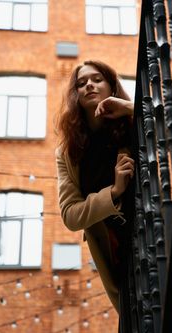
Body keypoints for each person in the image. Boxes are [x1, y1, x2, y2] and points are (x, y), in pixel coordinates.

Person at [55, 60, 135, 313]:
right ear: (76, 95)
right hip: (117, 253)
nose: (89, 84)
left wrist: (130, 108)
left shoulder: (133, 124)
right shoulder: (67, 152)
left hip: (154, 227)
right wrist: (113, 194)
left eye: (97, 79)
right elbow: (70, 214)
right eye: (81, 83)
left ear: (112, 86)